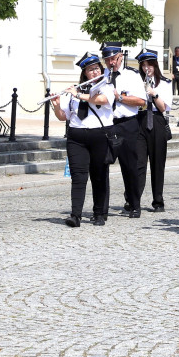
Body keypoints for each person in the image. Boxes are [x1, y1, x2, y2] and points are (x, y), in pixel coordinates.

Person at [51, 53, 115, 227]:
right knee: (78, 176)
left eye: (96, 68)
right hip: (76, 137)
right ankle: (75, 215)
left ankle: (99, 213)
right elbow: (63, 117)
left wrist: (79, 95)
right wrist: (56, 105)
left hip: (100, 136)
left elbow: (101, 100)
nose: (94, 72)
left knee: (99, 175)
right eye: (90, 70)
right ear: (84, 73)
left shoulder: (106, 86)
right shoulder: (75, 91)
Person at [101, 43, 146, 218]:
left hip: (127, 124)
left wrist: (119, 97)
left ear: (120, 56)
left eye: (113, 58)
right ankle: (101, 209)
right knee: (102, 165)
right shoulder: (102, 75)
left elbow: (141, 101)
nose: (110, 63)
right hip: (107, 124)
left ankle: (134, 204)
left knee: (129, 166)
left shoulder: (131, 75)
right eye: (107, 60)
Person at [135, 50, 173, 213]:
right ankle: (134, 200)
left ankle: (158, 201)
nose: (146, 68)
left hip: (157, 121)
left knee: (158, 164)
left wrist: (154, 94)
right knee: (138, 164)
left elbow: (164, 107)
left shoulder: (164, 82)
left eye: (149, 65)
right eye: (143, 65)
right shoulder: (137, 82)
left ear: (155, 65)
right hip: (141, 120)